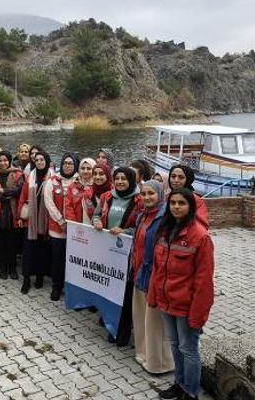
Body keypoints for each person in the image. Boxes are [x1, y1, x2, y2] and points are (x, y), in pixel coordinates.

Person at [149, 188, 214, 400]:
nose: (176, 207)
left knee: (188, 348)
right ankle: (179, 383)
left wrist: (198, 314)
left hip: (186, 305)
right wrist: (153, 296)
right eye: (173, 203)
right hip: (167, 301)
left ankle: (191, 391)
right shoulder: (165, 230)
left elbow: (204, 281)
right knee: (175, 345)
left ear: (191, 207)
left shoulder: (200, 237)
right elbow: (158, 268)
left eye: (181, 203)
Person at [93, 166, 142, 346]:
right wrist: (97, 222)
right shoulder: (107, 196)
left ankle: (123, 331)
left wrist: (125, 231)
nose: (120, 182)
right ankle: (109, 323)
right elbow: (96, 215)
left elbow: (141, 226)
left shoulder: (139, 200)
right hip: (107, 251)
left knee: (125, 292)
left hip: (127, 253)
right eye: (118, 178)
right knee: (109, 288)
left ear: (131, 180)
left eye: (124, 178)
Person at [129, 180, 174, 375]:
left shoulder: (165, 218)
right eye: (144, 194)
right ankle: (143, 354)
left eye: (151, 194)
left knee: (155, 323)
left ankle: (160, 364)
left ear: (160, 194)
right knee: (141, 318)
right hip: (139, 271)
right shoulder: (142, 216)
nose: (147, 197)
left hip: (154, 275)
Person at [44, 152, 80, 301]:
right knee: (57, 259)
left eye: (70, 163)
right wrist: (61, 221)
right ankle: (56, 287)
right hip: (58, 229)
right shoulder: (53, 181)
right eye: (65, 163)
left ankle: (72, 288)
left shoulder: (80, 181)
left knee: (73, 261)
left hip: (76, 230)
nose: (67, 166)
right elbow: (49, 203)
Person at [18, 151, 53, 293]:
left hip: (44, 220)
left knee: (41, 250)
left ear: (47, 161)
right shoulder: (30, 177)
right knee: (28, 251)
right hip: (31, 221)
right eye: (37, 160)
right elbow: (23, 196)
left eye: (42, 159)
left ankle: (39, 276)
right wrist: (21, 216)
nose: (39, 162)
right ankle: (26, 279)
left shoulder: (52, 178)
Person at [0, 151, 24, 279]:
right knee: (0, 242)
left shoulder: (17, 174)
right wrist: (7, 195)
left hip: (12, 212)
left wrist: (3, 191)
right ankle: (3, 268)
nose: (3, 163)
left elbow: (19, 190)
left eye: (5, 160)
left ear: (9, 161)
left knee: (12, 242)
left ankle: (12, 268)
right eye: (0, 160)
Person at [65, 158, 95, 225]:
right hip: (76, 224)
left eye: (89, 169)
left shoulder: (97, 186)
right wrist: (74, 223)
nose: (85, 171)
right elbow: (68, 207)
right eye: (83, 168)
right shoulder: (72, 186)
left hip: (93, 225)